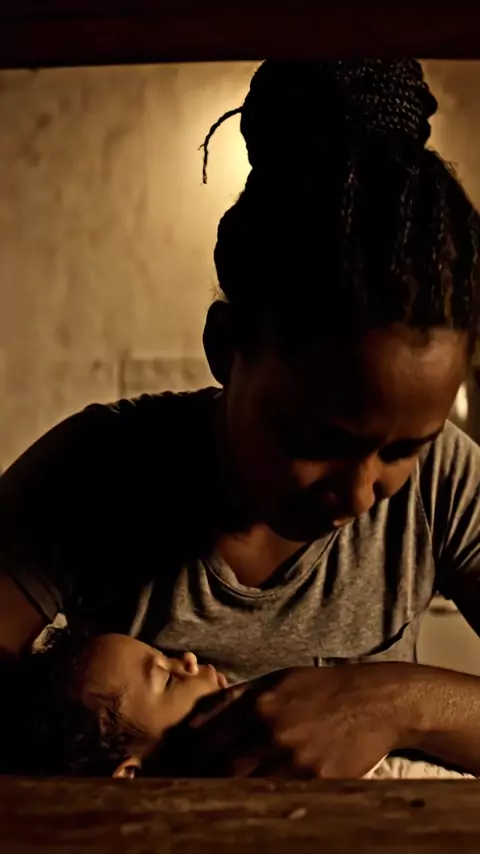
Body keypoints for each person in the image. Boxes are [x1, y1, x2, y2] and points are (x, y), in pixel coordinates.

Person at [1, 57, 480, 779]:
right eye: (318, 439)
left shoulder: (446, 482)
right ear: (226, 349)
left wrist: (393, 703)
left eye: (403, 450)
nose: (359, 496)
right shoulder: (101, 470)